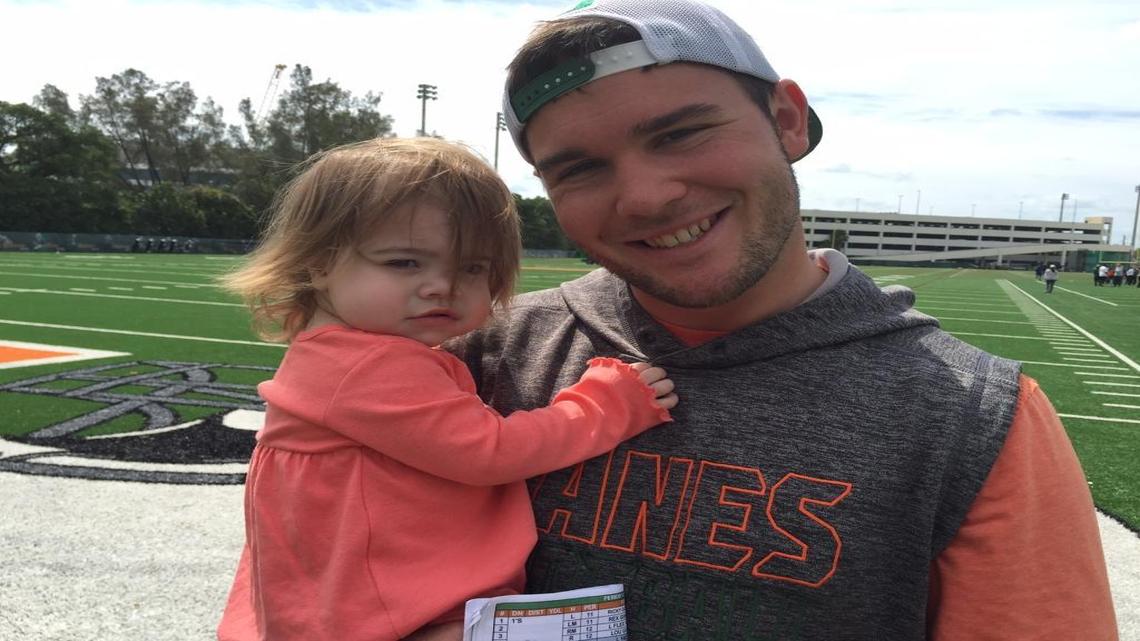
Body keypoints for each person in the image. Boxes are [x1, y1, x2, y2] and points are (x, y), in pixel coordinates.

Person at [451, 1, 1118, 639]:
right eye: (580, 170)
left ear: (788, 119)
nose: (647, 196)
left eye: (680, 133)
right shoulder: (480, 355)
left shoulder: (975, 420)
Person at [215, 137, 678, 641]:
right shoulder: (369, 365)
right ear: (318, 263)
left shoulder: (336, 353)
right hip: (394, 613)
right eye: (404, 263)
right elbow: (490, 450)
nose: (442, 285)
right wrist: (607, 405)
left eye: (472, 268)